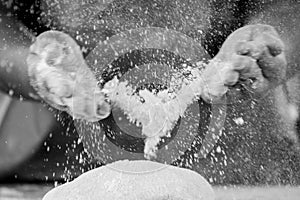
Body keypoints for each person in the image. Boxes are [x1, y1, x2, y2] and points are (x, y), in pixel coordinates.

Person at [0, 0, 299, 185]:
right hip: (52, 174)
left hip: (243, 172)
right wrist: (39, 65)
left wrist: (266, 45)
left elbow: (289, 9)